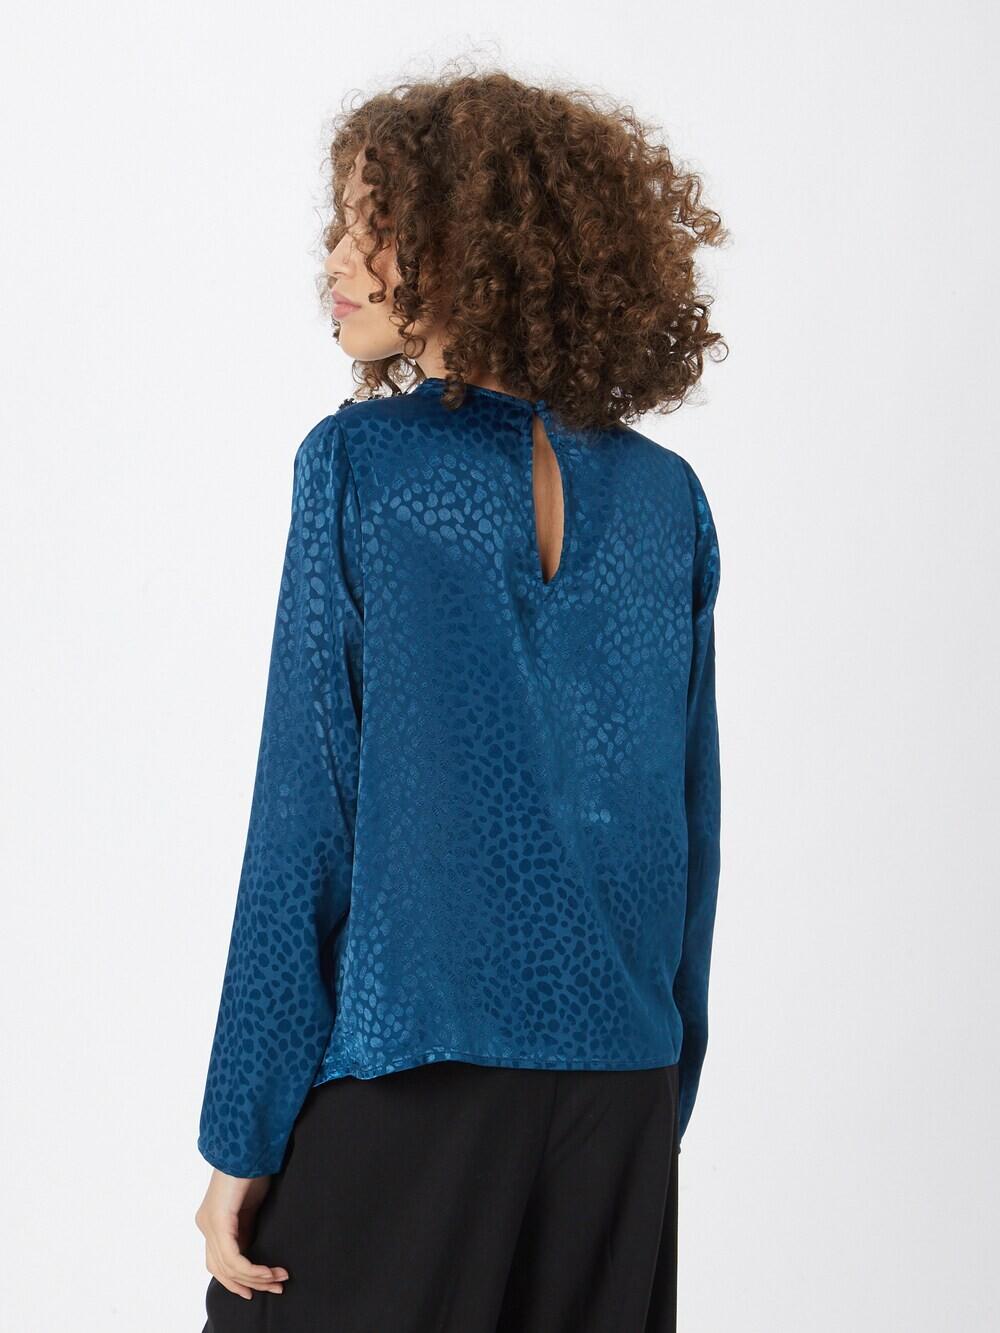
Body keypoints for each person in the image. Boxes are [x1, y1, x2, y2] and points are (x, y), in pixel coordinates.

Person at [194, 67, 728, 1333]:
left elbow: (307, 820)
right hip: (621, 1093)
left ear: (474, 248)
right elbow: (688, 830)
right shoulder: (668, 499)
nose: (335, 258)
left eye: (372, 225)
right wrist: (654, 1099)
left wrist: (241, 1134)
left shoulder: (359, 466)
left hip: (414, 1073)